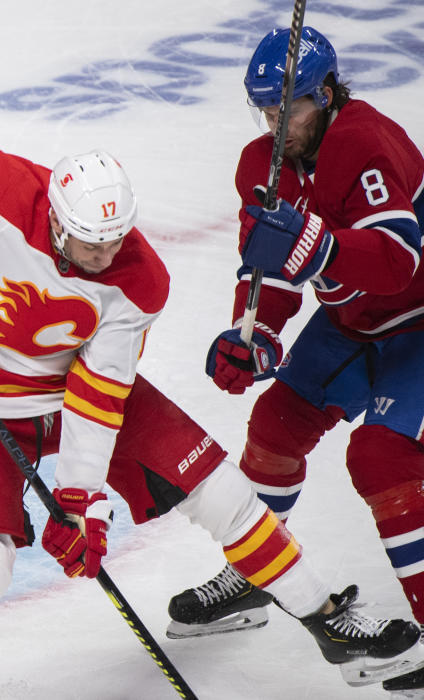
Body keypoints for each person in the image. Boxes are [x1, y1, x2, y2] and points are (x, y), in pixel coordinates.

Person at [0, 144, 423, 699]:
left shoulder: (140, 279)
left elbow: (97, 395)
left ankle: (329, 622)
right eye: (90, 244)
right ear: (58, 221)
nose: (104, 257)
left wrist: (77, 498)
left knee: (226, 496)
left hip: (72, 395)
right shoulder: (3, 188)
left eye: (115, 241)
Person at [167, 26, 424, 694]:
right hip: (350, 326)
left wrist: (320, 247)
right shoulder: (263, 167)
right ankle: (256, 574)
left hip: (418, 323)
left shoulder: (367, 142)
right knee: (273, 428)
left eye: (294, 111)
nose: (281, 127)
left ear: (329, 94)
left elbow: (397, 262)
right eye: (271, 113)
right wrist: (252, 332)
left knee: (380, 458)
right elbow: (272, 269)